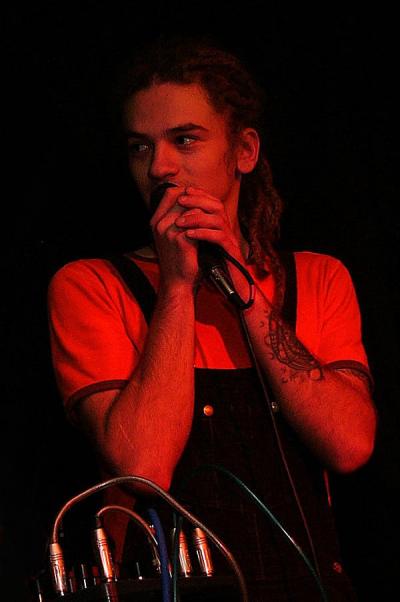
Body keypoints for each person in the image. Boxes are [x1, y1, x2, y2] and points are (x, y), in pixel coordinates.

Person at [47, 34, 377, 601]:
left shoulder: (319, 277)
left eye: (184, 140)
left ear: (244, 151)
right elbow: (144, 465)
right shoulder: (91, 285)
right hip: (173, 588)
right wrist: (177, 287)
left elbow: (349, 445)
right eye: (140, 148)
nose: (160, 167)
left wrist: (243, 287)